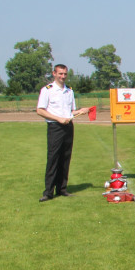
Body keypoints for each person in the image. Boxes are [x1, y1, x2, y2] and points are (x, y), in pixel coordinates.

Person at [36, 64, 89, 202]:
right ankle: (48, 192)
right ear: (54, 73)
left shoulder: (69, 91)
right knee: (53, 158)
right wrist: (58, 118)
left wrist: (81, 111)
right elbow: (40, 110)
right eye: (60, 74)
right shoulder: (47, 90)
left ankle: (62, 189)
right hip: (55, 127)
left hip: (68, 127)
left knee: (65, 158)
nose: (63, 76)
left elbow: (71, 111)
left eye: (65, 74)